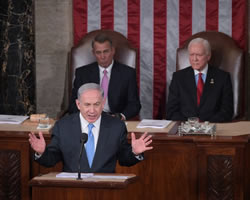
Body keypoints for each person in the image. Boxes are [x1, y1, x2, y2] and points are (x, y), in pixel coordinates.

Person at [29, 83, 152, 173]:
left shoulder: (116, 126)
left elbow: (124, 159)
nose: (92, 110)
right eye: (87, 105)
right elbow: (52, 159)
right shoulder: (63, 126)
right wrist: (42, 153)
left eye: (96, 104)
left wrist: (134, 152)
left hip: (106, 189)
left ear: (103, 103)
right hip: (72, 189)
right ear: (78, 104)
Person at [68, 33, 141, 120]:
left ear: (113, 51)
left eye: (106, 51)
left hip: (116, 120)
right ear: (93, 53)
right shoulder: (82, 73)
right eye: (98, 52)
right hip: (89, 118)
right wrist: (88, 116)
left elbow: (134, 104)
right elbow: (73, 104)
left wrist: (121, 116)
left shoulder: (128, 73)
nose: (102, 56)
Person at [166, 38, 233, 122]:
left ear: (208, 56)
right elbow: (171, 111)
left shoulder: (222, 77)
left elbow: (227, 111)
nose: (195, 59)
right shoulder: (178, 77)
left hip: (213, 127)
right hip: (185, 128)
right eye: (191, 54)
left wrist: (205, 123)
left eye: (199, 55)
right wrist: (189, 123)